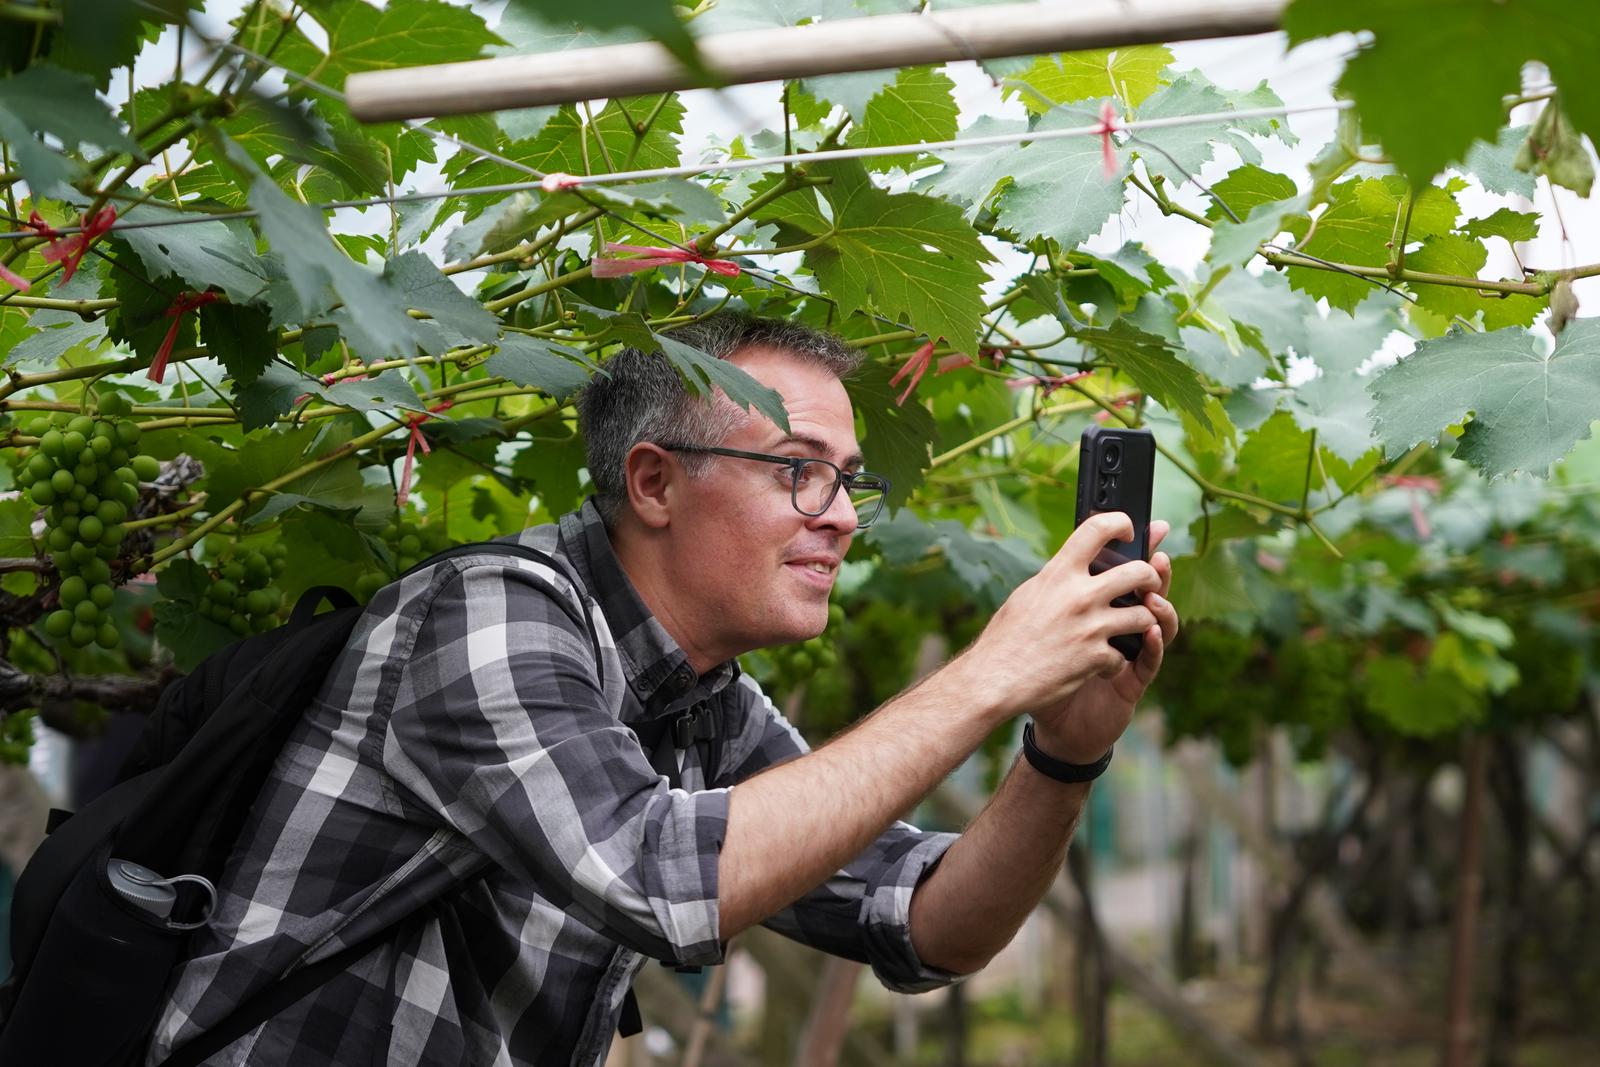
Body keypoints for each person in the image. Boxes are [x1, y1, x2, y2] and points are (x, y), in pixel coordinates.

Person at [144, 312, 1177, 1066]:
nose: (843, 517)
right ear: (652, 482)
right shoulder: (483, 614)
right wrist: (989, 674)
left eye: (847, 478)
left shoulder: (702, 698)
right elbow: (656, 875)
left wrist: (1062, 752)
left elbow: (927, 923)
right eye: (797, 470)